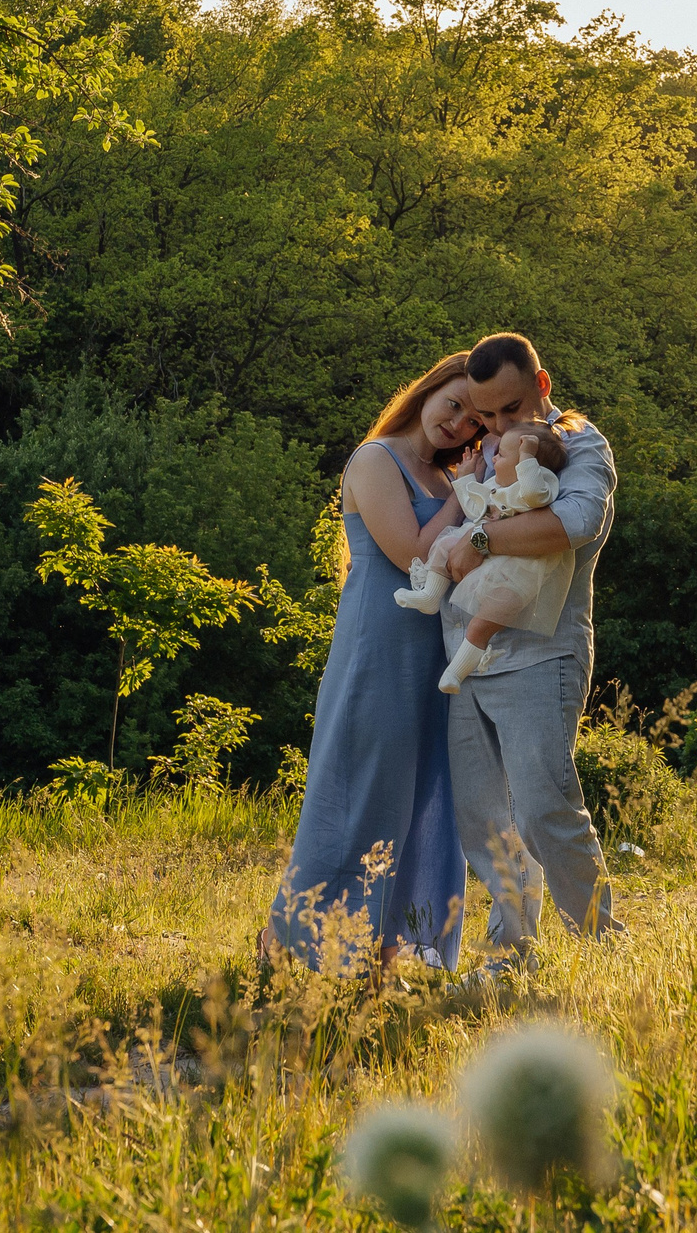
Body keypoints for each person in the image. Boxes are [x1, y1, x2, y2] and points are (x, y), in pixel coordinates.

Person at [265, 352, 481, 972]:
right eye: (455, 403)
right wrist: (467, 498)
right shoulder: (375, 458)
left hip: (431, 657)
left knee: (423, 800)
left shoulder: (445, 479)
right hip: (377, 650)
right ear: (429, 390)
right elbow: (416, 554)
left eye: (473, 419)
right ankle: (300, 942)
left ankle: (395, 947)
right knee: (358, 793)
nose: (459, 423)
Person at [442, 331, 620, 959]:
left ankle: (602, 948)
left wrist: (483, 540)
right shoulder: (483, 447)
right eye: (484, 414)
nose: (493, 426)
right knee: (486, 823)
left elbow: (574, 523)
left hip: (541, 657)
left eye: (509, 410)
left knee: (544, 810)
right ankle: (509, 956)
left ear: (541, 387)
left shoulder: (576, 444)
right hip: (465, 655)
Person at [392, 424, 572, 692]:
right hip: (482, 557)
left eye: (503, 455)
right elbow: (474, 508)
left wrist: (527, 457)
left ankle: (456, 672)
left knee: (482, 624)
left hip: (516, 570)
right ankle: (430, 595)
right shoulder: (497, 484)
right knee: (445, 545)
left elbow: (534, 495)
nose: (494, 459)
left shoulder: (537, 485)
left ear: (529, 462)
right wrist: (465, 479)